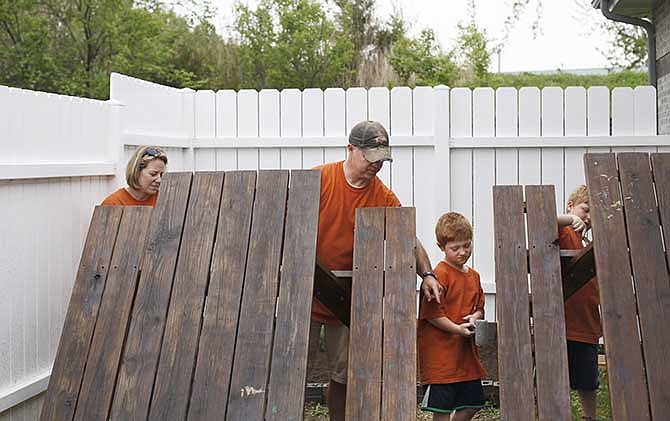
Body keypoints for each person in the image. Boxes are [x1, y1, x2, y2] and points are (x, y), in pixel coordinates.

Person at [309, 120, 442, 420]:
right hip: (307, 293)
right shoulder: (320, 179)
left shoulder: (382, 196)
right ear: (351, 149)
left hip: (345, 300)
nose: (376, 165)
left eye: (381, 159)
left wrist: (428, 274)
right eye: (370, 158)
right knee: (289, 370)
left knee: (343, 376)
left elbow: (408, 238)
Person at [417, 212, 486, 421]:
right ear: (441, 246)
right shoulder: (439, 275)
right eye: (455, 248)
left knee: (472, 405)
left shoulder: (474, 276)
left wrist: (475, 317)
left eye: (467, 246)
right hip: (441, 359)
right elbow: (431, 315)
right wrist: (457, 329)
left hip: (466, 359)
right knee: (442, 411)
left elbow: (480, 307)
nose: (462, 252)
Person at [557, 185, 602, 421]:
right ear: (570, 206)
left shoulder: (589, 245)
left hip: (587, 326)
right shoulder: (565, 231)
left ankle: (589, 417)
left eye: (594, 213)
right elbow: (542, 220)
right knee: (557, 377)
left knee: (588, 381)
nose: (588, 217)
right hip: (564, 324)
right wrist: (570, 219)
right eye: (585, 210)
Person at [102, 146, 167, 207]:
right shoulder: (113, 203)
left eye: (161, 175)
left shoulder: (164, 200)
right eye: (153, 174)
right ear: (136, 172)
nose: (159, 180)